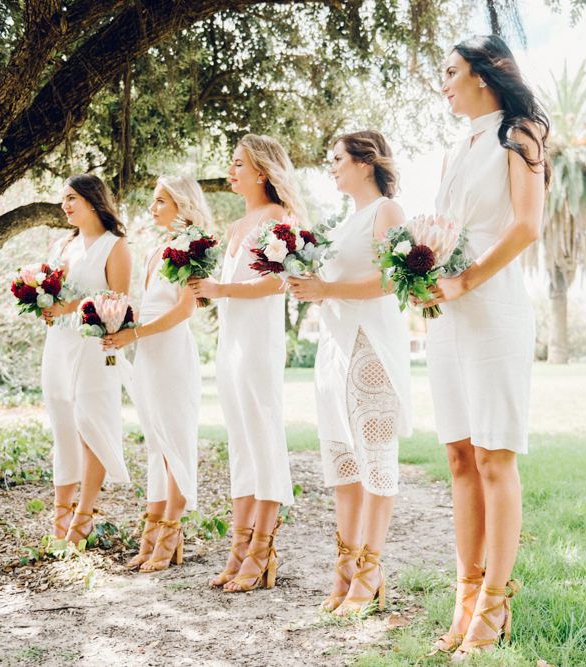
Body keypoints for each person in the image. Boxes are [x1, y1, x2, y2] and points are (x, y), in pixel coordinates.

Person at [422, 35, 548, 658]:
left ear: (484, 75)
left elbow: (527, 224)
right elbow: (444, 233)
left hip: (493, 310)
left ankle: (495, 607)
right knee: (459, 457)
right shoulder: (453, 150)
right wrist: (421, 278)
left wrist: (469, 277)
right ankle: (465, 596)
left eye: (450, 71)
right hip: (446, 319)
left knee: (496, 456)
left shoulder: (518, 134)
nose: (443, 82)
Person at [288, 130, 411, 616]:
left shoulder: (387, 212)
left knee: (375, 458)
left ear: (366, 162)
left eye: (337, 158)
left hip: (371, 345)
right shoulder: (341, 223)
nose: (331, 165)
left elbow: (391, 279)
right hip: (334, 348)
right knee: (343, 462)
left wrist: (327, 287)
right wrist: (309, 287)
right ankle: (345, 567)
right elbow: (329, 285)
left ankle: (372, 568)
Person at [189, 133, 307, 592]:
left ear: (262, 172)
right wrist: (206, 292)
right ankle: (238, 550)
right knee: (240, 444)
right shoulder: (237, 226)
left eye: (239, 164)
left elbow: (279, 284)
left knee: (263, 439)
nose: (231, 171)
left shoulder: (280, 219)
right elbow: (230, 286)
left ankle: (263, 551)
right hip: (230, 344)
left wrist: (221, 291)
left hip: (259, 344)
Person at [103, 175, 208, 572]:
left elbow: (184, 309)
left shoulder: (190, 248)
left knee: (175, 443)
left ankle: (170, 534)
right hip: (147, 351)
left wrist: (135, 333)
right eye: (153, 200)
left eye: (161, 201)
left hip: (172, 353)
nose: (154, 207)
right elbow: (146, 305)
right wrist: (115, 325)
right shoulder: (153, 251)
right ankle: (151, 536)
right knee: (155, 446)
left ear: (182, 204)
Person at [41, 173, 132, 544]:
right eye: (63, 199)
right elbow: (51, 288)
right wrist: (43, 304)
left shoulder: (115, 246)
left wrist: (72, 306)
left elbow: (119, 302)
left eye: (71, 198)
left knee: (89, 423)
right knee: (62, 422)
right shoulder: (63, 245)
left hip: (94, 345)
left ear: (92, 201)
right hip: (59, 344)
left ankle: (84, 514)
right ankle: (61, 511)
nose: (65, 205)